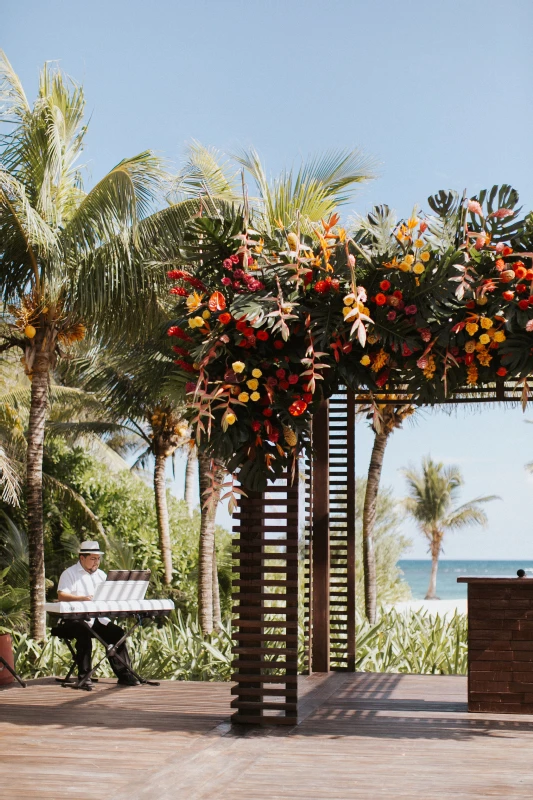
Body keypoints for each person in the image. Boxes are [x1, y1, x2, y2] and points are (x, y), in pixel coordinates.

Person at [57, 541, 139, 689]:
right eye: (93, 558)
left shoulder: (101, 575)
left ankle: (125, 675)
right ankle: (84, 678)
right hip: (73, 620)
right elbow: (61, 595)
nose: (96, 562)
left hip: (96, 619)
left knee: (117, 634)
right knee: (83, 634)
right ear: (82, 558)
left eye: (98, 558)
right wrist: (81, 598)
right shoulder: (69, 573)